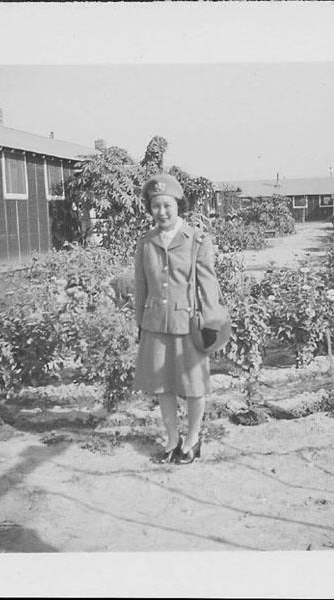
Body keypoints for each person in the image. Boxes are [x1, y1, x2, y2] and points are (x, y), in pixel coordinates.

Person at [133, 173, 225, 465]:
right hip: (155, 324)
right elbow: (141, 286)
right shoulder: (145, 242)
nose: (161, 212)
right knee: (163, 387)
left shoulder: (196, 239)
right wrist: (140, 323)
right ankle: (172, 439)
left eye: (167, 205)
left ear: (178, 205)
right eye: (156, 206)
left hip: (189, 325)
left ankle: (193, 439)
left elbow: (208, 283)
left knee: (194, 386)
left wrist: (211, 322)